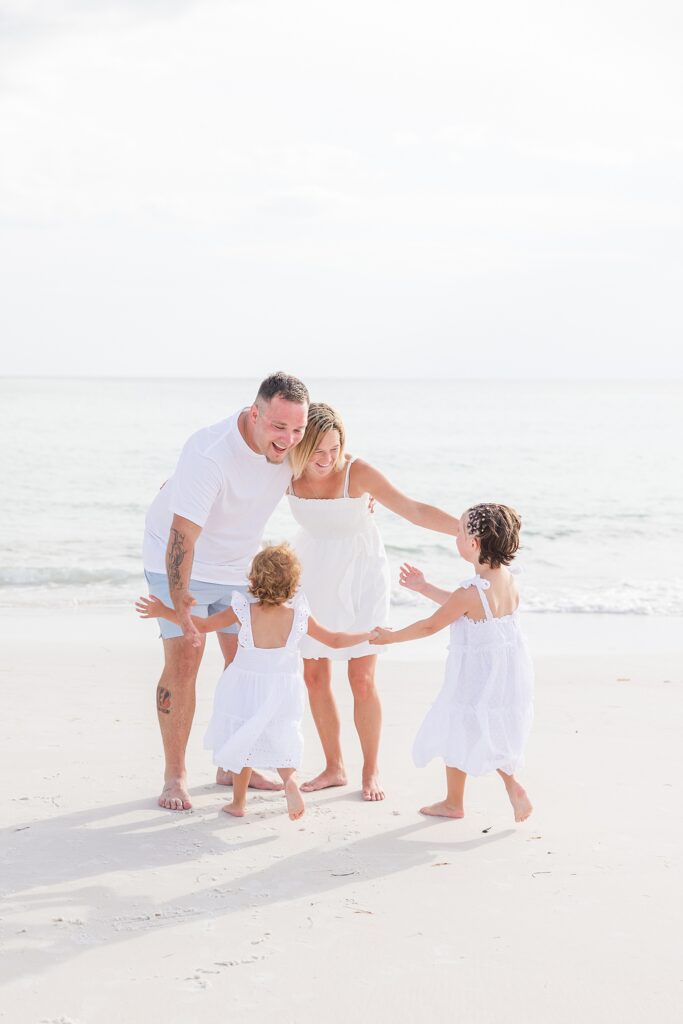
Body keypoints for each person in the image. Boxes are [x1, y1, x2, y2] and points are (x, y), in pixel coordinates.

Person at [142, 372, 309, 811]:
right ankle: (175, 774)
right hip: (180, 557)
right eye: (278, 427)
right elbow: (182, 537)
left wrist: (357, 499)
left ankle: (236, 764)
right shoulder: (211, 452)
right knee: (185, 657)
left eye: (298, 429)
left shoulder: (295, 448)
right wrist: (182, 611)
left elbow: (333, 465)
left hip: (237, 565)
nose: (288, 439)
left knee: (248, 662)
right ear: (255, 414)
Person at [287, 402, 461, 802]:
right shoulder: (285, 470)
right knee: (314, 676)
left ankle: (370, 768)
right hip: (312, 572)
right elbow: (240, 490)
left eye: (335, 448)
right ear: (299, 446)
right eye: (319, 451)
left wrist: (464, 530)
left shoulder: (357, 472)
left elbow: (413, 509)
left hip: (362, 573)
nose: (328, 459)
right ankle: (334, 767)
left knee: (362, 678)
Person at [136, 545, 376, 820]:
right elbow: (334, 640)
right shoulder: (297, 615)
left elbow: (201, 626)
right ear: (293, 582)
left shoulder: (243, 610)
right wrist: (367, 635)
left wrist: (163, 611)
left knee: (243, 739)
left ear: (255, 579)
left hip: (244, 688)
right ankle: (289, 781)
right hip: (284, 688)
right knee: (280, 734)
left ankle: (238, 803)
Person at [370, 503, 534, 822]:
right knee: (490, 727)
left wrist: (391, 637)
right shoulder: (508, 579)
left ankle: (454, 802)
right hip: (507, 671)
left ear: (473, 545)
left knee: (458, 727)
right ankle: (510, 785)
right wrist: (424, 587)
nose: (455, 537)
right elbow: (467, 608)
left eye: (459, 532)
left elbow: (431, 625)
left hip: (475, 675)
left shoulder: (470, 591)